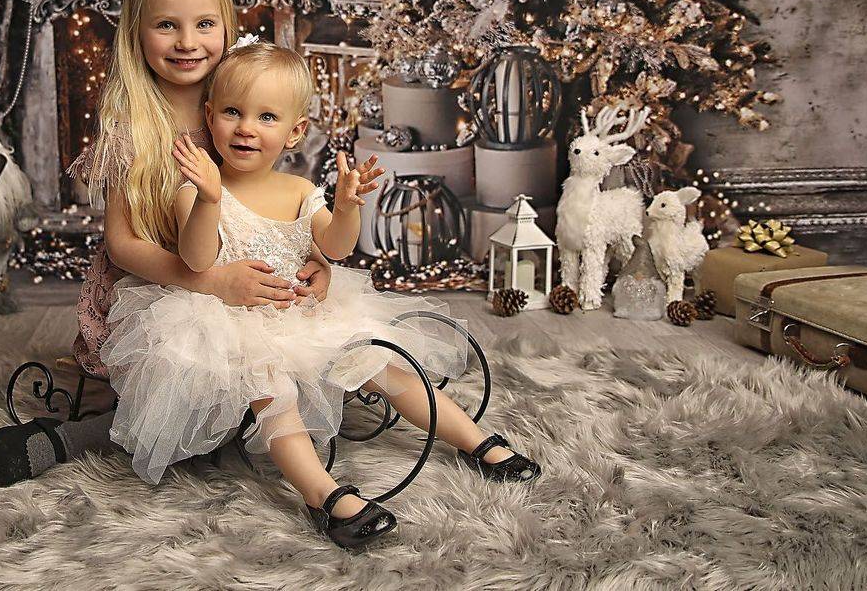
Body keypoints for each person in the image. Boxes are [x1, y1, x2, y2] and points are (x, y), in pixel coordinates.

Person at [100, 42, 542, 551]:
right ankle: (323, 494)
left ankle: (476, 442)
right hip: (237, 322)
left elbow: (335, 246)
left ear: (295, 132)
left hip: (305, 313)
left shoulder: (298, 189)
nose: (246, 128)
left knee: (383, 366)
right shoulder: (198, 191)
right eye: (232, 112)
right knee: (273, 394)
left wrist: (347, 207)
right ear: (209, 116)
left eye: (266, 117)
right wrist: (209, 198)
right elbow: (197, 260)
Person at [0, 0, 326, 486]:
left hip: (239, 280)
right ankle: (79, 436)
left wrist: (314, 260)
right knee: (199, 396)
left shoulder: (243, 104)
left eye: (205, 24)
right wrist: (213, 283)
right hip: (160, 290)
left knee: (291, 366)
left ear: (227, 26)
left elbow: (276, 200)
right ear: (137, 33)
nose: (188, 42)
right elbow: (123, 246)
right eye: (167, 25)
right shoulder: (133, 128)